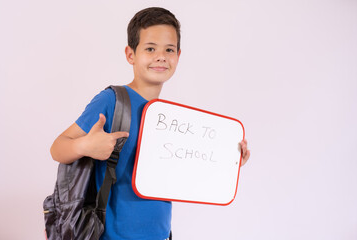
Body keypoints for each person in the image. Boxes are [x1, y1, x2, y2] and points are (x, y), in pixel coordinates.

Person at [50, 7, 250, 240]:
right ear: (130, 54)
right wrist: (84, 146)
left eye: (169, 49)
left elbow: (186, 174)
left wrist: (228, 163)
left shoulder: (171, 119)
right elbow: (57, 147)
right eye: (150, 48)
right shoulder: (112, 100)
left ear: (178, 55)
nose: (161, 56)